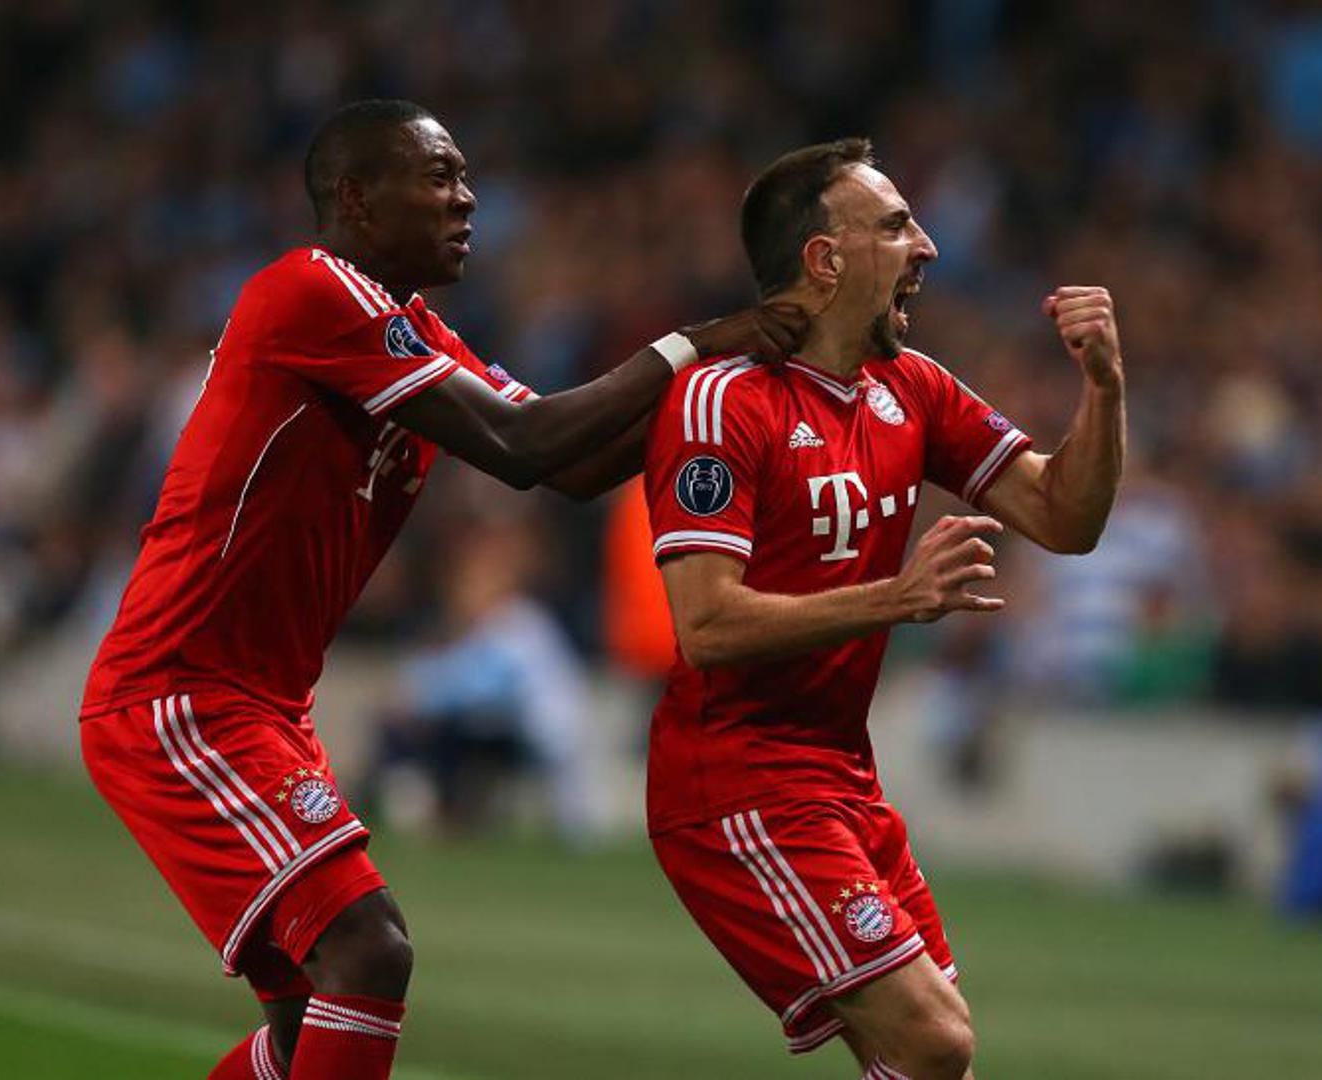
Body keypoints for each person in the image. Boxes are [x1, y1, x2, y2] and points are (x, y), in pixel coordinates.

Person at [77, 99, 805, 1080]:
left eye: (464, 177)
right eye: (438, 176)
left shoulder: (413, 333)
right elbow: (521, 444)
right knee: (369, 952)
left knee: (310, 1023)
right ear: (356, 199)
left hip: (260, 706)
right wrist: (694, 345)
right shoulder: (310, 290)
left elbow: (571, 462)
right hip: (181, 693)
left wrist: (740, 396)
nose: (467, 199)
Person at [642, 138, 1124, 1080]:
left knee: (927, 1062)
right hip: (734, 780)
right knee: (934, 1039)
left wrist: (1104, 389)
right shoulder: (722, 402)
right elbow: (706, 626)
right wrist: (897, 598)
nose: (928, 246)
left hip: (842, 779)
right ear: (825, 259)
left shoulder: (912, 386)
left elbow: (1066, 518)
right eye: (898, 225)